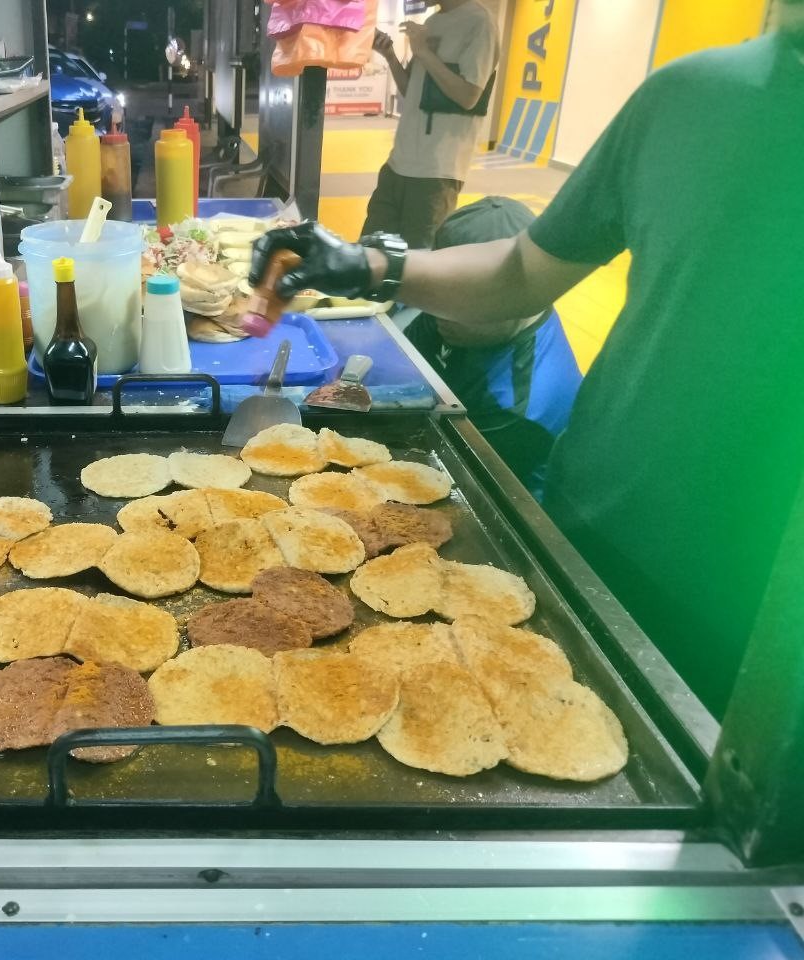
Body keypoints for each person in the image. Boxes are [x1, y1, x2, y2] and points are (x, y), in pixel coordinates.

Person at [249, 13, 804, 719]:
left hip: (761, 622)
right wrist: (367, 265)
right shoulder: (686, 97)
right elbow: (523, 269)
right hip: (590, 524)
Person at [402, 196, 582, 491]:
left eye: (463, 298)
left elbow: (456, 483)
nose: (438, 311)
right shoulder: (458, 318)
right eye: (440, 289)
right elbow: (403, 363)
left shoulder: (522, 404)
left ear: (520, 298)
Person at [362, 0, 499, 247]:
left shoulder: (480, 23)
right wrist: (390, 55)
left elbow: (469, 96)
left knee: (417, 263)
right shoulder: (433, 22)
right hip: (398, 163)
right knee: (370, 250)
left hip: (436, 171)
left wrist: (424, 51)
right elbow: (411, 90)